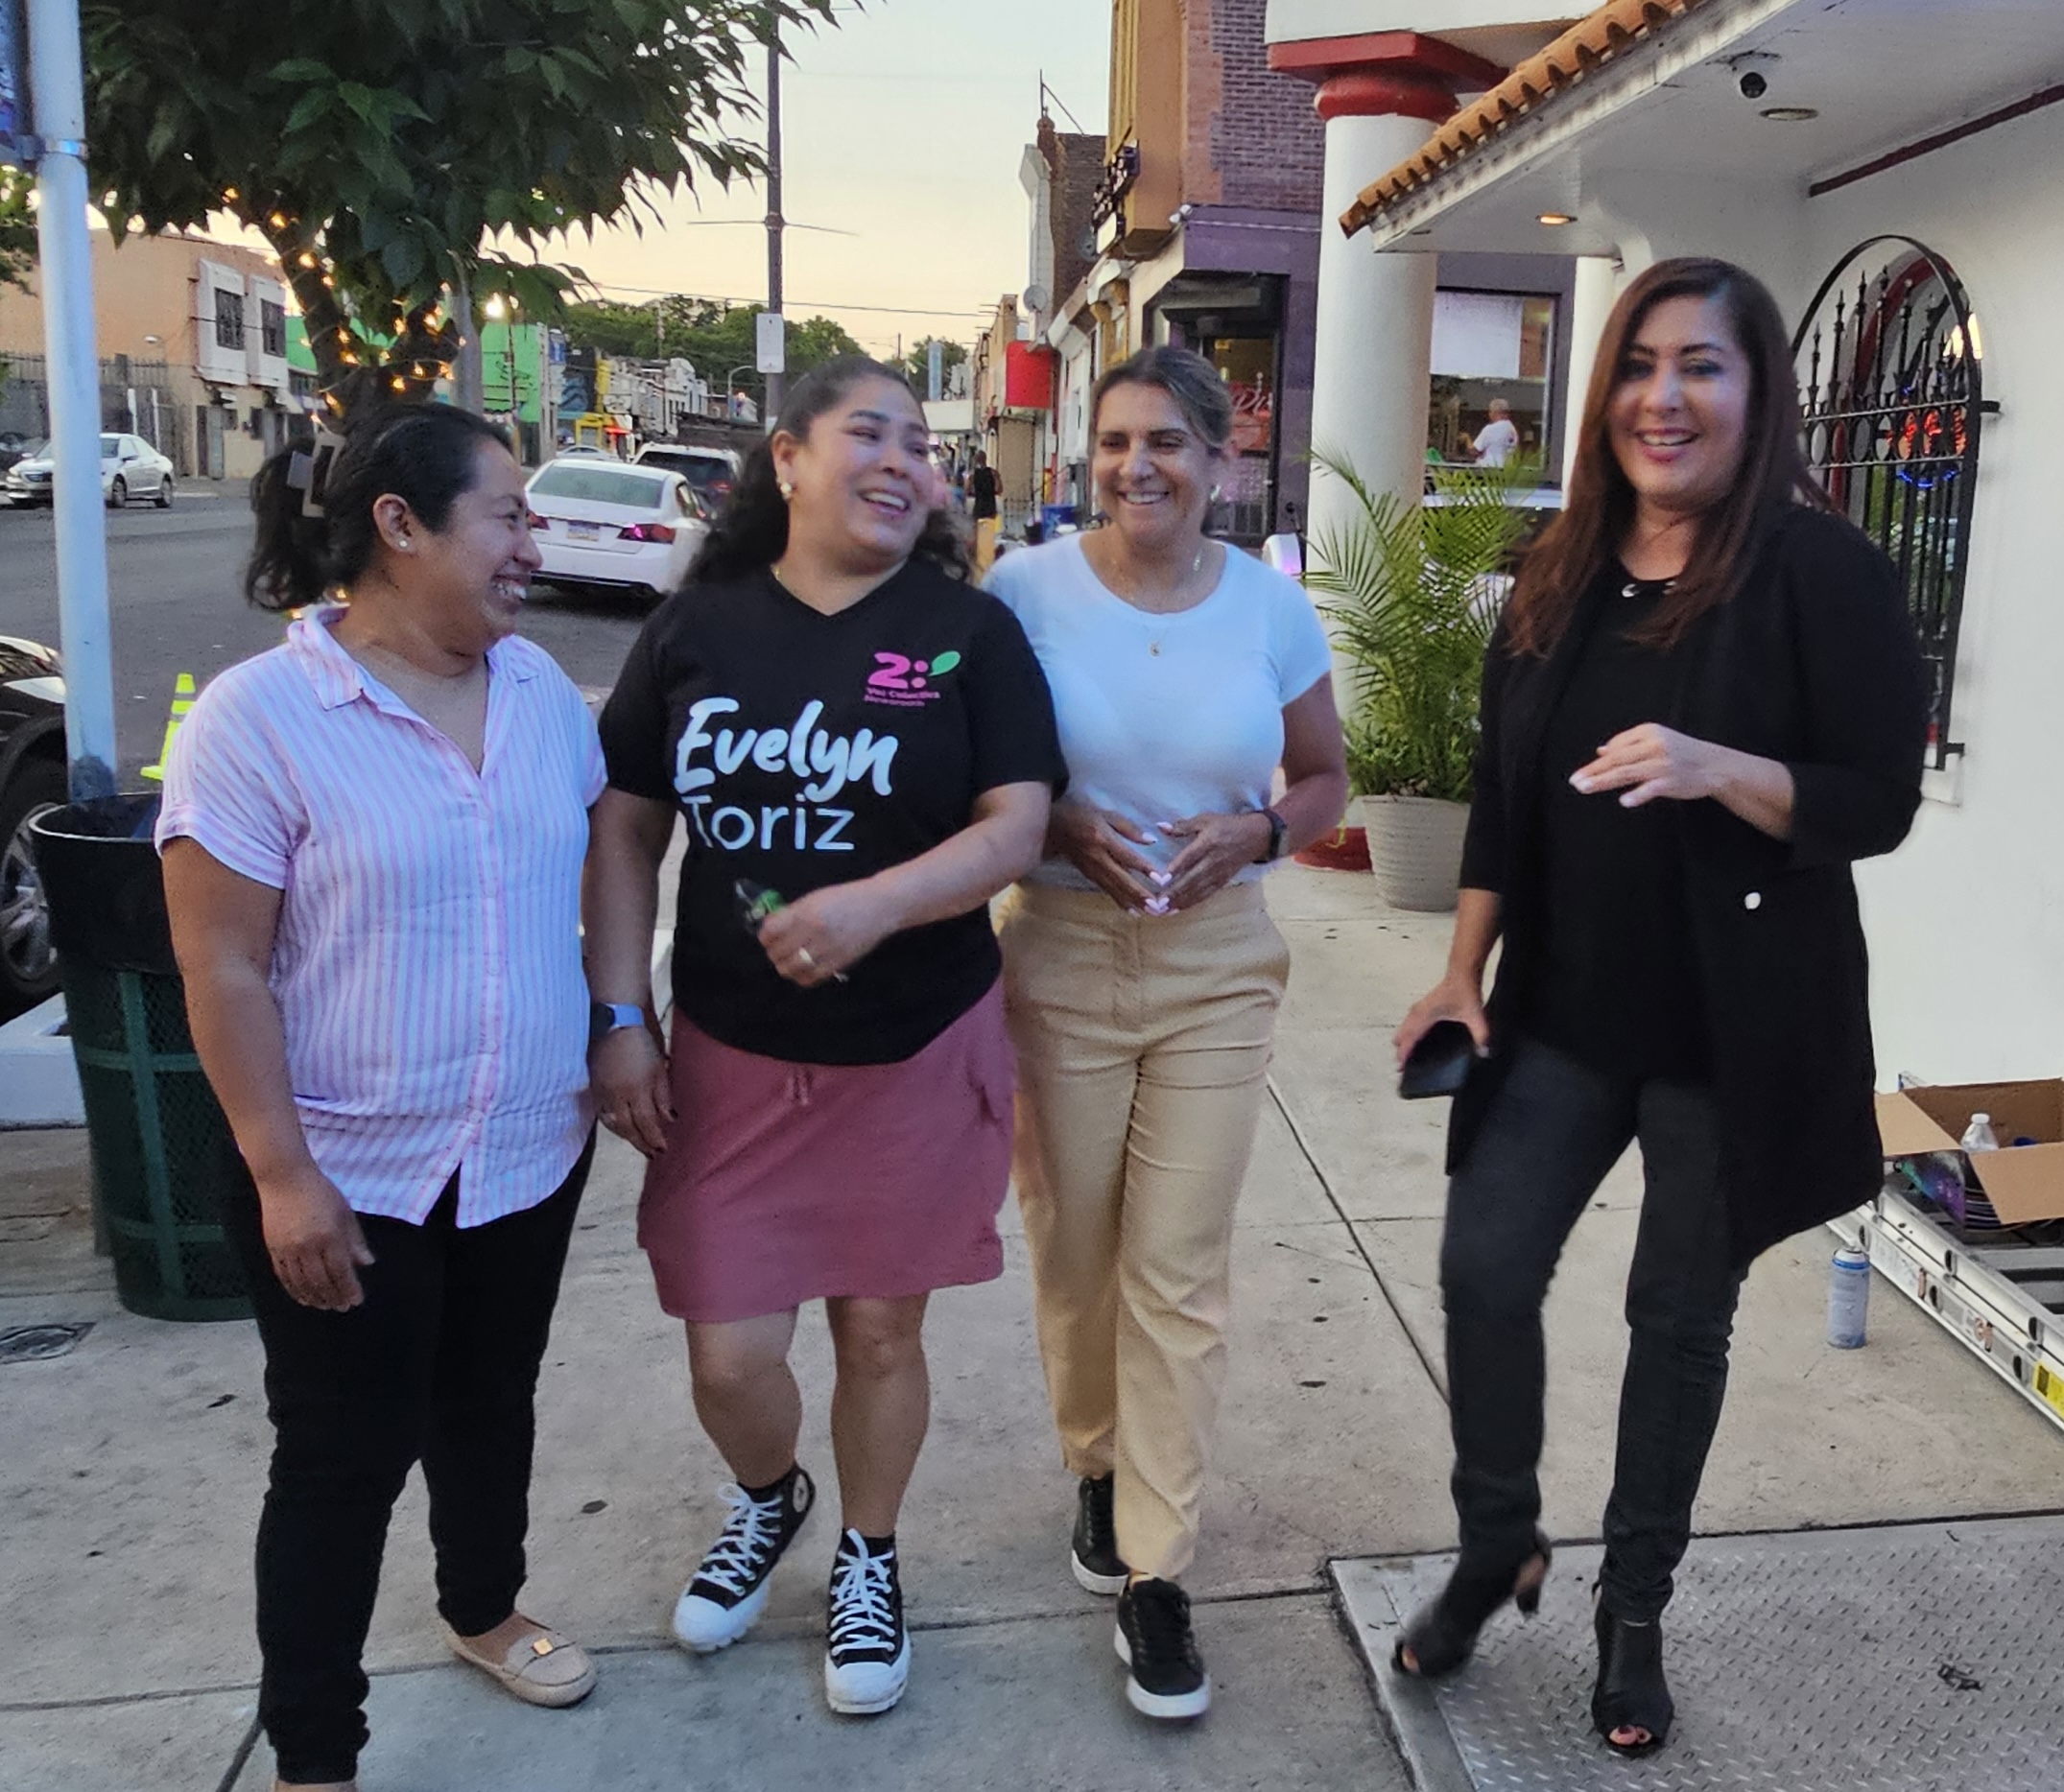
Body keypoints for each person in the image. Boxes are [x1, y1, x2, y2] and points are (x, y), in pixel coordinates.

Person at [1389, 257, 1927, 1756]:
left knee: (1673, 1319)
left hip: (1731, 1034)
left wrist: (1716, 768)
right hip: (1561, 1012)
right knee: (1484, 1267)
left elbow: (1874, 800)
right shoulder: (1555, 567)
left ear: (1755, 393)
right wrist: (1458, 970)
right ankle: (1496, 1543)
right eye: (1637, 364)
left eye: (1700, 365)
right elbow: (1503, 802)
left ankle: (1633, 1614)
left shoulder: (1822, 573)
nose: (1662, 397)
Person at [583, 356, 1064, 1717]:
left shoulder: (966, 632)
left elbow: (1014, 826)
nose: (904, 461)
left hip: (913, 1043)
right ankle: (769, 1495)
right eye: (870, 433)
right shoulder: (698, 632)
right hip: (729, 1054)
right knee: (729, 1354)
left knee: (876, 1335)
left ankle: (868, 1550)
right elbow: (625, 825)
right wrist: (621, 1017)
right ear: (785, 459)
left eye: (920, 442)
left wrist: (874, 908)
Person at [158, 406, 607, 1792]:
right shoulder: (263, 718)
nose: (532, 545)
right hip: (347, 1170)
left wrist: (619, 1029)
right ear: (400, 529)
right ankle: (314, 1754)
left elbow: (592, 882)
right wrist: (283, 1174)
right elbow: (220, 963)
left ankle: (481, 1606)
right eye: (509, 517)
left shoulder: (538, 695)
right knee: (342, 1460)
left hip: (527, 1148)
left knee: (490, 1403)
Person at [985, 345, 1348, 1721]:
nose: (1137, 465)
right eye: (1114, 441)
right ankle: (1094, 1462)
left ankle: (1155, 1568)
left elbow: (1321, 780)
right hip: (1062, 949)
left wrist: (1258, 830)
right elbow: (981, 764)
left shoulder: (1265, 609)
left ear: (1219, 465)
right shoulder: (1020, 596)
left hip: (1215, 963)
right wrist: (1058, 821)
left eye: (1167, 444)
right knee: (1075, 1245)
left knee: (1177, 1267)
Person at [969, 449, 1002, 576]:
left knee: (976, 533)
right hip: (990, 506)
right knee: (990, 531)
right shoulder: (993, 473)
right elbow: (999, 489)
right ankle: (989, 555)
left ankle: (977, 557)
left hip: (978, 506)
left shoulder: (972, 475)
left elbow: (968, 490)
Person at [1471, 397, 1520, 469]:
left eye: (1490, 411)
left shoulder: (1490, 429)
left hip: (1489, 469)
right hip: (1507, 469)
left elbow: (1474, 451)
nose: (1489, 414)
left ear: (1495, 412)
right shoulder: (1512, 429)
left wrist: (1466, 439)